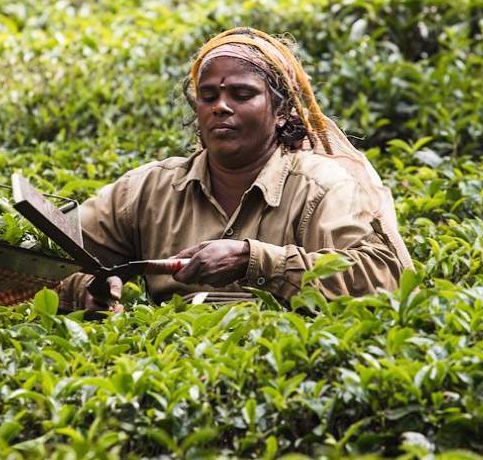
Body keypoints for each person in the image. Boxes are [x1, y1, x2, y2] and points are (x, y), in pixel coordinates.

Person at [57, 27, 413, 311]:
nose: (221, 107)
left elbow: (383, 277)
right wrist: (85, 290)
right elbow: (51, 258)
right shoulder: (148, 190)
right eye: (208, 96)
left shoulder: (320, 186)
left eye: (242, 95)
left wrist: (254, 261)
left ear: (281, 111)